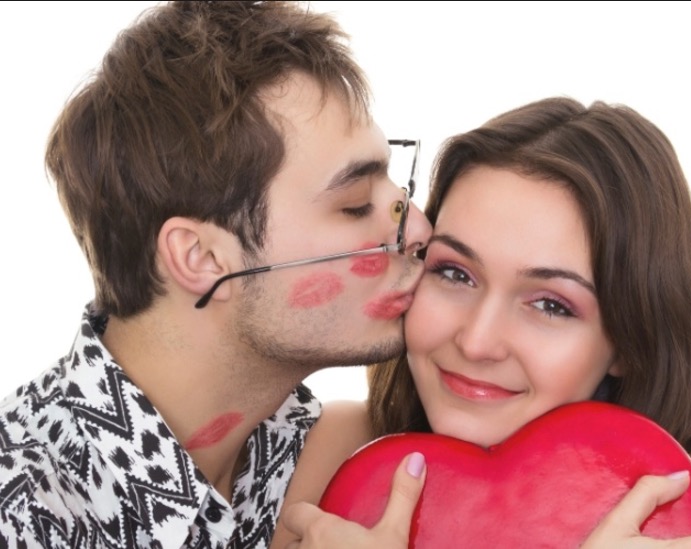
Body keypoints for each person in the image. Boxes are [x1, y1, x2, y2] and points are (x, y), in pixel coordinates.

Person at [0, 2, 433, 546]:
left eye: (395, 190)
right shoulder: (22, 508)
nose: (418, 228)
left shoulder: (335, 458)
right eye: (353, 203)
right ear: (201, 258)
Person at [276, 97, 691, 548]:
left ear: (627, 340)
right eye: (454, 273)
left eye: (551, 305)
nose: (476, 342)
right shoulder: (337, 446)